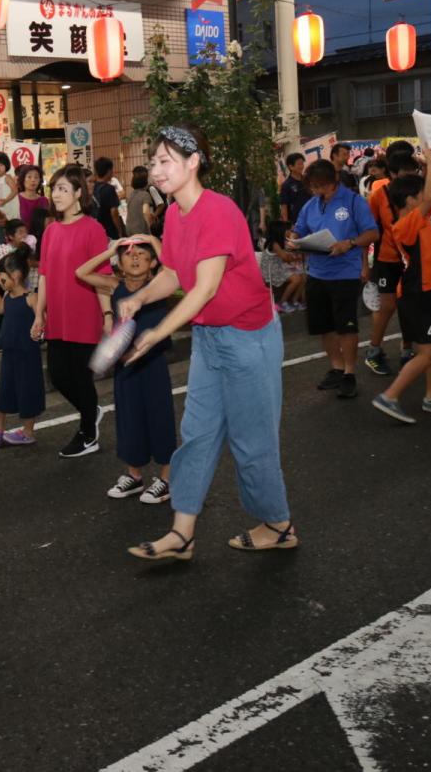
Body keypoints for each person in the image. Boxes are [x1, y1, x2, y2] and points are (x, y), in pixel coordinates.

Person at [120, 125, 294, 562]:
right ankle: (182, 534)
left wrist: (158, 332)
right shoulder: (175, 215)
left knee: (252, 443)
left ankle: (278, 523)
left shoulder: (217, 211)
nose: (156, 170)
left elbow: (205, 288)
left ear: (193, 161)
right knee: (196, 437)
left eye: (166, 161)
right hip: (211, 339)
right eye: (154, 161)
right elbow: (177, 274)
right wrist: (140, 296)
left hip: (249, 339)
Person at [77, 236, 176, 504]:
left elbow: (175, 269)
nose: (135, 258)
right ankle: (134, 476)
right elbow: (81, 273)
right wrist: (109, 250)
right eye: (129, 255)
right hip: (125, 367)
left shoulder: (160, 285)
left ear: (153, 262)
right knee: (129, 419)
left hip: (153, 363)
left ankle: (167, 479)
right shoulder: (115, 286)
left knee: (160, 418)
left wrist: (154, 242)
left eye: (143, 255)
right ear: (119, 263)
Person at [30, 165, 111, 458]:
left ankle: (88, 434)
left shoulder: (93, 229)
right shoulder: (50, 231)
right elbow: (44, 276)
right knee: (58, 375)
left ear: (79, 193)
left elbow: (102, 277)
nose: (56, 194)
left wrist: (107, 316)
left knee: (79, 376)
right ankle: (91, 412)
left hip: (84, 313)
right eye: (54, 188)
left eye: (63, 188)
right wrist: (39, 314)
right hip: (59, 316)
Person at [372, 150, 431, 423]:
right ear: (411, 200)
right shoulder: (405, 224)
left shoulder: (419, 221)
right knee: (429, 352)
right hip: (418, 294)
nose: (427, 198)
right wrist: (430, 163)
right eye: (421, 194)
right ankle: (390, 396)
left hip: (430, 290)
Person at [287, 159, 378, 399]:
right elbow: (300, 228)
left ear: (333, 181)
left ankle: (349, 373)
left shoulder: (353, 202)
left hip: (344, 274)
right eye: (313, 187)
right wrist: (294, 239)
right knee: (323, 325)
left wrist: (349, 243)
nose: (317, 191)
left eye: (321, 187)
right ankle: (336, 367)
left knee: (346, 326)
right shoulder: (311, 205)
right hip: (316, 273)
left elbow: (372, 232)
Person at [365, 143, 421, 374]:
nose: (409, 177)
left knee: (409, 306)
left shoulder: (420, 193)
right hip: (386, 258)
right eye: (404, 173)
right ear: (393, 173)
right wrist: (363, 265)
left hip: (412, 259)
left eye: (413, 172)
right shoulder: (379, 194)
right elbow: (368, 228)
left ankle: (407, 350)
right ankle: (374, 351)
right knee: (387, 307)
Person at [0, 245, 43, 448]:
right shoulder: (8, 296)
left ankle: (28, 431)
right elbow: (0, 309)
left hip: (27, 353)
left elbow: (42, 319)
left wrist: (40, 325)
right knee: (5, 390)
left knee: (28, 390)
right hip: (9, 351)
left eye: (3, 278)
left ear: (16, 275)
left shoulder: (31, 298)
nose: (1, 281)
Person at [259, 220, 306, 313]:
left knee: (303, 277)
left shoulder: (279, 243)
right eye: (288, 230)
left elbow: (287, 256)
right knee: (296, 279)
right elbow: (285, 258)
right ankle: (282, 302)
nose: (290, 232)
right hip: (271, 272)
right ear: (280, 231)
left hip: (278, 268)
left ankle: (295, 301)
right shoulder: (274, 244)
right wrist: (297, 258)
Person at [92, 157, 125, 239]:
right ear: (109, 171)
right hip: (109, 229)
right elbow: (114, 212)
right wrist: (119, 230)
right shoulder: (109, 188)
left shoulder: (92, 187)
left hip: (95, 228)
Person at [16, 164, 50, 239]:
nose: (33, 180)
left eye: (36, 177)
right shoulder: (16, 199)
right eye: (29, 177)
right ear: (23, 179)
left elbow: (48, 225)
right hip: (20, 241)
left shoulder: (44, 200)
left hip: (40, 240)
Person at [279, 152, 311, 225]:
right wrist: (286, 225)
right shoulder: (286, 185)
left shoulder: (307, 180)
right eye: (299, 164)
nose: (302, 166)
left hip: (312, 218)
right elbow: (284, 206)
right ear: (291, 167)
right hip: (297, 221)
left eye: (302, 163)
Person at [0, 152, 20, 221]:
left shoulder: (7, 177)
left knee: (12, 224)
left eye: (1, 165)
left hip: (10, 205)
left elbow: (15, 191)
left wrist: (5, 200)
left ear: (6, 166)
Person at [124, 166, 155, 236]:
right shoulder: (145, 194)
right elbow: (145, 211)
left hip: (129, 230)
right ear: (146, 181)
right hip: (141, 231)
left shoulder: (131, 195)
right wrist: (149, 226)